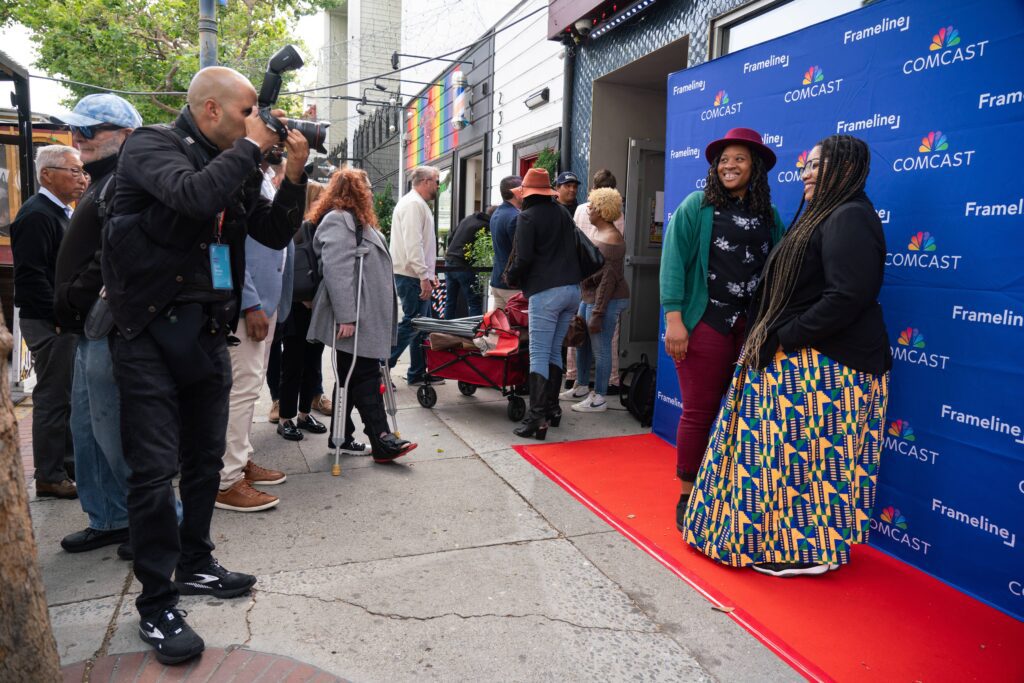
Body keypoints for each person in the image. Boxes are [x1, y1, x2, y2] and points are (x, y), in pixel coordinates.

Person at [101, 66, 309, 665]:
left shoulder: (236, 165)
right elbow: (193, 197)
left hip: (205, 330)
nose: (258, 124)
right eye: (248, 113)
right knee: (154, 469)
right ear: (212, 111)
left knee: (201, 461)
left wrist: (291, 175)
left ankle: (194, 563)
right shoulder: (150, 147)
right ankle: (156, 602)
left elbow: (270, 233)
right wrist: (252, 149)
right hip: (145, 331)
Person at [682, 134, 891, 578]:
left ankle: (806, 552)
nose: (806, 173)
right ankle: (767, 540)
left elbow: (847, 296)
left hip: (832, 365)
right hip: (801, 359)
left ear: (846, 168)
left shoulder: (850, 216)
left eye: (817, 165)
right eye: (806, 166)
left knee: (808, 466)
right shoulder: (824, 214)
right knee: (780, 461)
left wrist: (783, 338)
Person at [659, 127, 786, 531]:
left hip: (752, 328)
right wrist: (674, 320)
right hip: (705, 322)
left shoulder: (770, 214)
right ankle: (687, 492)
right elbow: (673, 263)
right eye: (724, 159)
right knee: (699, 411)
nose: (730, 165)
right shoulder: (698, 205)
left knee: (744, 413)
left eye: (740, 159)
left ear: (756, 168)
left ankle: (728, 488)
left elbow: (780, 268)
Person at [53, 94, 142, 555]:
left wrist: (78, 293)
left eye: (91, 130)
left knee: (117, 435)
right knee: (88, 433)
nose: (80, 138)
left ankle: (158, 524)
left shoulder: (127, 181)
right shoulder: (103, 180)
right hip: (89, 329)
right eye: (77, 129)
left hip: (106, 327)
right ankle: (110, 518)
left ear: (124, 135)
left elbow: (118, 252)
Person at [307, 169, 418, 461]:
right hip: (356, 315)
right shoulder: (338, 220)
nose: (369, 193)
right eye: (365, 188)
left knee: (350, 374)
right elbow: (336, 270)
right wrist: (346, 316)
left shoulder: (357, 221)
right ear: (352, 191)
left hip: (366, 314)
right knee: (364, 374)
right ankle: (381, 439)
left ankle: (340, 437)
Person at [215, 152, 294, 511]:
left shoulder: (258, 177)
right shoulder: (236, 175)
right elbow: (229, 247)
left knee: (250, 386)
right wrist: (250, 303)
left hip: (265, 300)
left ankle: (239, 461)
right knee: (242, 388)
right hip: (251, 303)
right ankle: (226, 479)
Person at [12, 144, 87, 499]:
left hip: (63, 319)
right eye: (74, 171)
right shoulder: (37, 215)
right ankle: (50, 474)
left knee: (68, 396)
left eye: (82, 171)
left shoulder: (62, 212)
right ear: (47, 175)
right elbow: (30, 277)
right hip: (51, 321)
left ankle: (68, 466)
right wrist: (59, 317)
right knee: (53, 398)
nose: (82, 178)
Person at [503, 168, 582, 440]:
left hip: (546, 292)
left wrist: (511, 276)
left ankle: (536, 419)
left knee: (538, 353)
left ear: (527, 193)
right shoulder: (562, 211)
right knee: (554, 351)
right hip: (572, 290)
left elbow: (522, 258)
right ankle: (552, 409)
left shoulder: (527, 217)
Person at [567, 188, 629, 414]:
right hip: (591, 298)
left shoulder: (612, 240)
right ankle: (582, 386)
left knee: (601, 350)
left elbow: (607, 282)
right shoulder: (601, 233)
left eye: (592, 207)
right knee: (581, 341)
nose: (589, 210)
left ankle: (599, 397)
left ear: (603, 211)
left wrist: (598, 313)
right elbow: (597, 273)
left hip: (605, 302)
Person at [388, 165, 440, 385]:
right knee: (414, 323)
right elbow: (413, 244)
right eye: (437, 181)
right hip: (410, 275)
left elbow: (421, 244)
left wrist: (429, 273)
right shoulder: (413, 204)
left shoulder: (416, 204)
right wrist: (423, 275)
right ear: (426, 181)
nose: (439, 185)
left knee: (421, 325)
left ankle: (417, 372)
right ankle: (381, 365)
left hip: (414, 274)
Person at [443, 205, 494, 319]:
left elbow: (451, 237)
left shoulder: (468, 218)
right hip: (463, 265)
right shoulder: (486, 225)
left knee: (450, 300)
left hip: (449, 262)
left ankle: (445, 332)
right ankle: (475, 333)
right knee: (474, 301)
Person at [488, 175, 522, 309]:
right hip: (512, 285)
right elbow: (520, 252)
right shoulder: (515, 217)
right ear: (515, 192)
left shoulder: (497, 213)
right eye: (523, 188)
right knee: (516, 328)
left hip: (498, 280)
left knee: (499, 327)